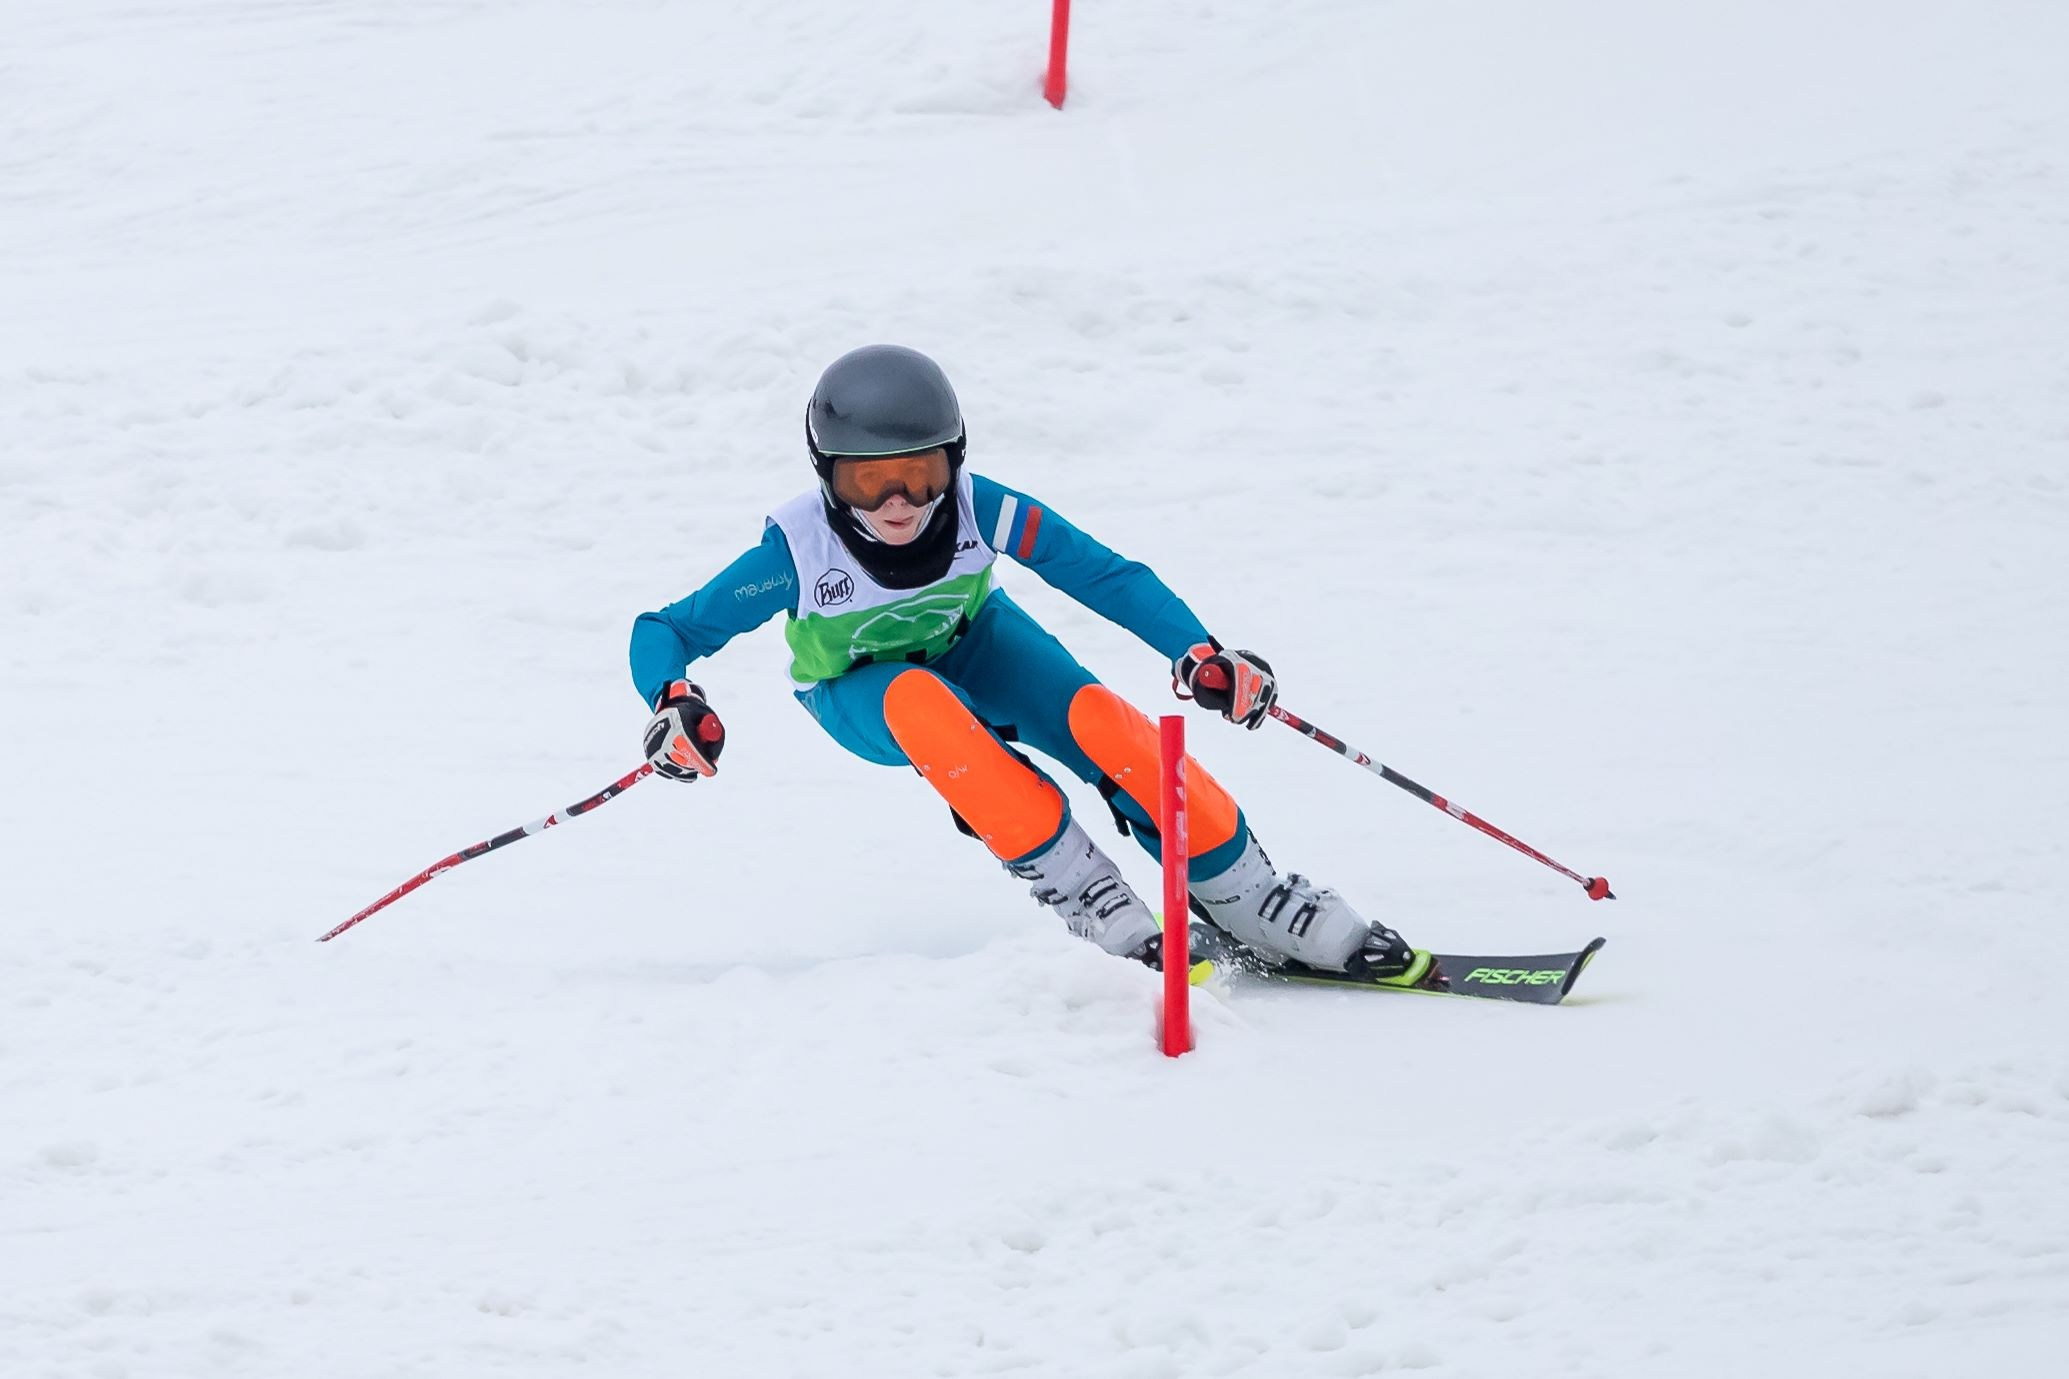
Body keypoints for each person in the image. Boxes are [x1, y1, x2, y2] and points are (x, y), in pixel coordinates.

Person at [629, 344, 1427, 984]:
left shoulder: (985, 507)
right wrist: (673, 698)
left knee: (1098, 720)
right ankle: (1087, 891)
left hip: (977, 643)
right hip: (856, 687)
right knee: (923, 705)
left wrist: (1199, 650)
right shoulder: (797, 548)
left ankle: (1249, 894)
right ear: (827, 475)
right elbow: (669, 627)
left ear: (954, 460)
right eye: (868, 482)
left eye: (920, 474)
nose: (898, 503)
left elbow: (1102, 574)